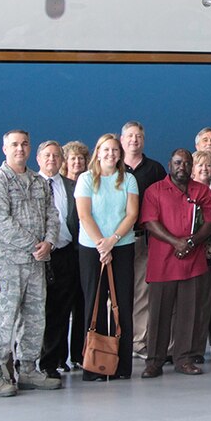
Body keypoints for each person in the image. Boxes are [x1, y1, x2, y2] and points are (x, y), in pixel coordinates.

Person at [0, 130, 61, 395]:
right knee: (3, 319)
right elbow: (1, 223)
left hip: (36, 265)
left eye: (24, 144)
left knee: (34, 318)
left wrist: (49, 242)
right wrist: (35, 245)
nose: (20, 149)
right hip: (8, 265)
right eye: (14, 144)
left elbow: (52, 214)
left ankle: (28, 369)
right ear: (5, 149)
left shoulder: (39, 182)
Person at [140, 149, 211, 378]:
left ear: (191, 166)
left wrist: (191, 242)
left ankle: (184, 359)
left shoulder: (202, 191)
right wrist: (176, 242)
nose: (182, 167)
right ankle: (154, 362)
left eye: (186, 163)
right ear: (170, 164)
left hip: (192, 262)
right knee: (159, 314)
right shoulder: (155, 190)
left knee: (189, 313)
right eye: (177, 162)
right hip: (162, 262)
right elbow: (150, 222)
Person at [74, 133, 139, 381]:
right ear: (98, 153)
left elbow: (132, 214)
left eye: (115, 150)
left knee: (122, 304)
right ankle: (95, 366)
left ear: (120, 154)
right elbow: (84, 214)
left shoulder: (129, 179)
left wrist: (113, 240)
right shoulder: (86, 179)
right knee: (95, 303)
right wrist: (102, 245)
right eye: (106, 150)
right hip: (92, 248)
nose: (111, 154)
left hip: (122, 246)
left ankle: (122, 366)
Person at [120, 121, 167, 361]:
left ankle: (138, 341)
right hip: (116, 241)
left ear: (143, 140)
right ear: (121, 139)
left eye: (138, 136)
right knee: (114, 292)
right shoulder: (112, 166)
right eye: (129, 136)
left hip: (142, 239)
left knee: (141, 292)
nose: (134, 140)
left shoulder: (155, 169)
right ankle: (113, 340)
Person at [37, 140, 84, 379]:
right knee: (36, 310)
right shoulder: (30, 184)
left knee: (60, 311)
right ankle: (28, 360)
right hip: (36, 256)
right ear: (38, 159)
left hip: (65, 254)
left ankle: (52, 362)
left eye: (56, 156)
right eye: (47, 155)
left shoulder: (71, 186)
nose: (51, 159)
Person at [190, 150, 211, 363]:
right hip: (188, 253)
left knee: (210, 300)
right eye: (200, 165)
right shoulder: (184, 191)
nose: (204, 169)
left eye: (208, 165)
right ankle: (189, 347)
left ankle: (208, 344)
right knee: (191, 302)